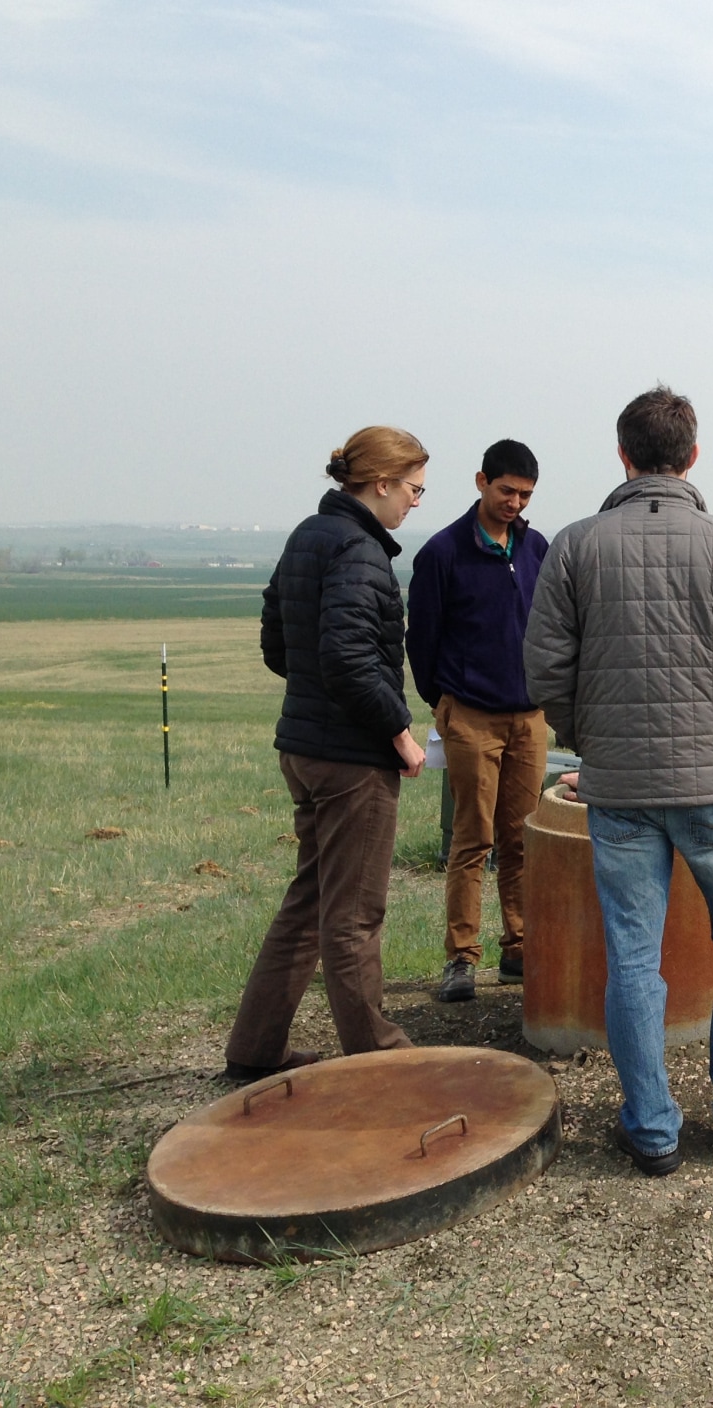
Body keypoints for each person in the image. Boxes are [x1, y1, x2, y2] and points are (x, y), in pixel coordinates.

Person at [524, 386, 713, 1177]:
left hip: (616, 787)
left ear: (622, 455)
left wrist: (587, 739)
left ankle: (650, 1128)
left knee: (632, 953)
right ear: (692, 456)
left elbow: (545, 663)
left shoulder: (576, 546)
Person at [223, 427, 428, 1082]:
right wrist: (397, 730)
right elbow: (344, 657)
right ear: (382, 484)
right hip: (351, 762)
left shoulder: (308, 538)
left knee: (310, 901)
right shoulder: (361, 551)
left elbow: (278, 645)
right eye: (415, 490)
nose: (416, 504)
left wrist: (315, 696)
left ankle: (256, 1047)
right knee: (353, 916)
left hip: (304, 747)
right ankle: (379, 1061)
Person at [408, 439, 551, 1003]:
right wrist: (443, 703)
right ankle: (460, 960)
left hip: (529, 717)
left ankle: (518, 946)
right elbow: (421, 640)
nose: (515, 502)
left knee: (523, 838)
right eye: (506, 491)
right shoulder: (443, 553)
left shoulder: (538, 548)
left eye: (525, 495)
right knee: (473, 838)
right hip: (469, 715)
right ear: (480, 482)